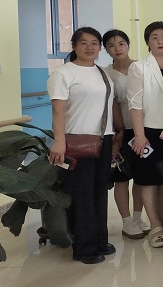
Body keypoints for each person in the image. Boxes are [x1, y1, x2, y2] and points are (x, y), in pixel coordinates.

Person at [47, 27, 120, 264]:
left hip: (102, 140)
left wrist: (116, 135)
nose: (90, 47)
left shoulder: (103, 73)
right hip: (76, 141)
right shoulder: (63, 74)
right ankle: (84, 247)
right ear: (74, 46)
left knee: (99, 191)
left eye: (94, 43)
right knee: (82, 195)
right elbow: (58, 111)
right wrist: (59, 141)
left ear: (100, 48)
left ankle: (99, 240)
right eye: (84, 43)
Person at [127, 21, 163, 248]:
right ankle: (154, 225)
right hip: (150, 131)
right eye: (154, 37)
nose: (160, 41)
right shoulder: (139, 67)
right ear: (148, 42)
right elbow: (135, 105)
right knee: (149, 178)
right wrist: (139, 136)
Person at [103, 29, 149, 239]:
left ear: (128, 45)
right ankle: (126, 220)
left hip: (144, 130)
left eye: (121, 43)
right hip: (119, 132)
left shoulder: (142, 67)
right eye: (111, 45)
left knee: (141, 175)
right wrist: (117, 131)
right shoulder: (105, 73)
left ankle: (138, 216)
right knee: (121, 177)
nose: (117, 49)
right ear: (106, 49)